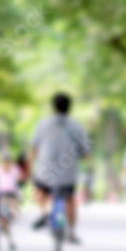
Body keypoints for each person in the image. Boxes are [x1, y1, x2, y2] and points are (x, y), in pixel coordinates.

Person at [29, 92, 91, 243]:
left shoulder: (43, 124)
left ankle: (45, 213)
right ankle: (71, 233)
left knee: (39, 192)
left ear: (53, 107)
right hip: (67, 172)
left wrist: (29, 166)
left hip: (45, 170)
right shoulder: (76, 126)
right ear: (69, 107)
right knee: (69, 200)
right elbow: (86, 153)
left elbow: (33, 148)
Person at [0, 152, 22, 219]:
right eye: (5, 161)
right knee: (0, 201)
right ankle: (1, 214)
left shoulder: (14, 168)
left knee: (14, 200)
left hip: (12, 191)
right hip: (1, 191)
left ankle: (13, 214)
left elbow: (19, 177)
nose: (6, 163)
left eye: (8, 161)